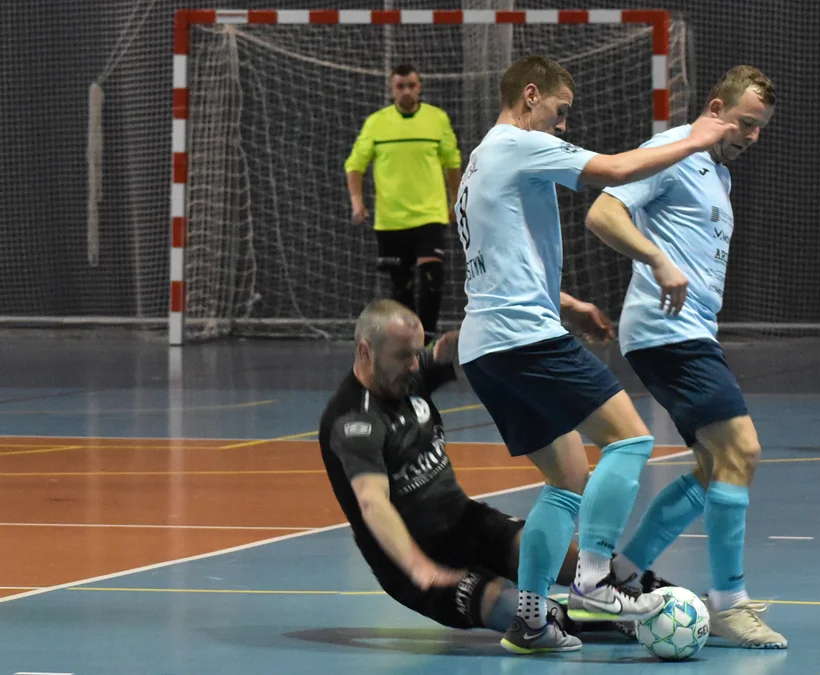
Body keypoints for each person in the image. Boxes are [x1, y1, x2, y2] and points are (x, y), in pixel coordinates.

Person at [452, 55, 737, 654]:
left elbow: (498, 259)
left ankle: (530, 621)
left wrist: (567, 301)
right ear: (530, 96)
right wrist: (696, 138)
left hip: (486, 345)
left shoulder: (479, 160)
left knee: (567, 479)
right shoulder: (516, 145)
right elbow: (615, 170)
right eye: (559, 111)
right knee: (630, 440)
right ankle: (597, 578)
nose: (562, 126)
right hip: (522, 337)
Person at [584, 65, 786, 649]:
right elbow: (603, 212)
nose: (751, 136)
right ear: (717, 108)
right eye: (745, 123)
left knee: (713, 467)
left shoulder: (718, 174)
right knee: (741, 450)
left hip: (693, 332)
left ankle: (622, 579)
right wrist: (657, 260)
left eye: (760, 129)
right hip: (667, 333)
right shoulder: (671, 148)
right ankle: (729, 604)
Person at [318, 299, 626, 640]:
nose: (413, 365)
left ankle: (659, 596)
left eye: (416, 353)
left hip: (467, 523)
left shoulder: (406, 377)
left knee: (588, 565)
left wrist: (551, 317)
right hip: (418, 562)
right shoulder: (355, 422)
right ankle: (630, 619)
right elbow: (372, 503)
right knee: (538, 619)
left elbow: (450, 347)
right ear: (365, 351)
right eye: (403, 356)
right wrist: (421, 568)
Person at [346, 64, 461, 338]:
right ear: (391, 89)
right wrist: (356, 202)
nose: (406, 91)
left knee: (433, 276)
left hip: (430, 215)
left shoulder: (437, 119)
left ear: (420, 87)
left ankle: (429, 338)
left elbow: (452, 163)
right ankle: (409, 340)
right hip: (391, 220)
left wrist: (455, 200)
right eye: (400, 86)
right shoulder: (376, 122)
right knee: (401, 287)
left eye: (411, 85)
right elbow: (354, 165)